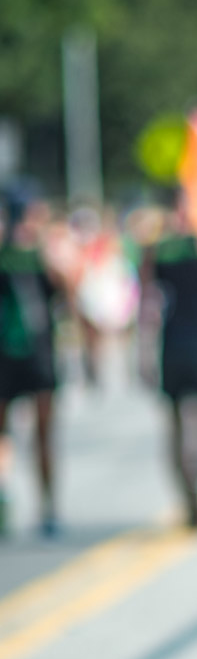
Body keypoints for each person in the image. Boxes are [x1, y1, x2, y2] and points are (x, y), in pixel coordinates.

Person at [138, 199, 197, 530]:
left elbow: (146, 305)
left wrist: (143, 353)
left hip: (176, 344)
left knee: (184, 424)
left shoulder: (157, 251)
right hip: (194, 344)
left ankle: (192, 485)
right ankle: (195, 482)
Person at [0, 197, 64, 537]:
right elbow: (67, 292)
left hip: (20, 357)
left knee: (7, 436)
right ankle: (48, 509)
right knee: (43, 437)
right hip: (34, 356)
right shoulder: (40, 254)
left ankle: (14, 502)